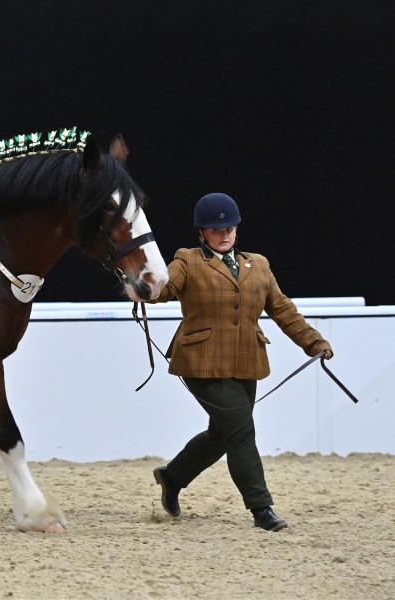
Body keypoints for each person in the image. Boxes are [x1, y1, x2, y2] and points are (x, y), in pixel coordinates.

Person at [148, 192, 333, 531]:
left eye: (230, 228)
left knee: (221, 435)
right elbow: (164, 288)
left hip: (246, 361)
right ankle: (262, 510)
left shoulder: (258, 265)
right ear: (201, 233)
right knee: (242, 431)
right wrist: (144, 285)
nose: (224, 234)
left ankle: (173, 477)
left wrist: (314, 342)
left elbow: (282, 309)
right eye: (216, 229)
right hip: (200, 362)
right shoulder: (187, 260)